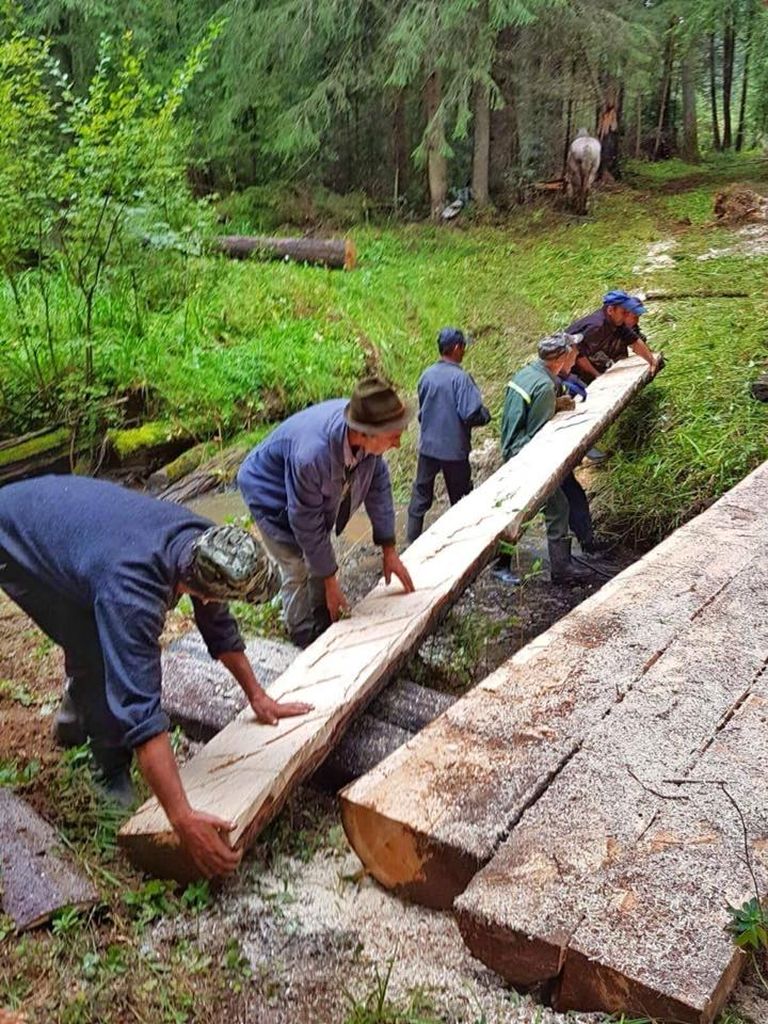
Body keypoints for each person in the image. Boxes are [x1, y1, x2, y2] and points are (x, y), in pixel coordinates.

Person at [0, 475, 312, 877]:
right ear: (204, 590)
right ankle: (107, 768)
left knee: (92, 634)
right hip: (16, 541)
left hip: (68, 523)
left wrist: (258, 695)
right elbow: (141, 710)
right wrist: (182, 818)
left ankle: (75, 715)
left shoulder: (203, 544)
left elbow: (218, 627)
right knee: (97, 653)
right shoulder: (132, 592)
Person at [238, 376, 416, 649]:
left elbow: (378, 486)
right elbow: (306, 522)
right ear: (366, 433)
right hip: (267, 491)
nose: (398, 444)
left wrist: (389, 549)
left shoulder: (365, 428)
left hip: (302, 489)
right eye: (393, 437)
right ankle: (301, 635)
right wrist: (331, 582)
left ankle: (323, 616)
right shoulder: (311, 456)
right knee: (296, 565)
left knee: (318, 560)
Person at [497, 332, 600, 584]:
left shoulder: (529, 373)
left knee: (530, 508)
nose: (576, 357)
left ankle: (503, 564)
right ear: (560, 358)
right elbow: (538, 437)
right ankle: (561, 569)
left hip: (512, 446)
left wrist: (556, 404)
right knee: (556, 507)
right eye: (573, 353)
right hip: (524, 455)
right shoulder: (544, 386)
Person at [406, 327, 491, 543]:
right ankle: (463, 542)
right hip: (454, 450)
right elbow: (470, 413)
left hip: (428, 447)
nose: (464, 351)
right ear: (456, 348)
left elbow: (422, 412)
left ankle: (411, 542)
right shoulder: (461, 379)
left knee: (420, 495)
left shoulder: (426, 375)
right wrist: (485, 415)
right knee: (461, 499)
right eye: (463, 347)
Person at [568, 289, 662, 383]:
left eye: (627, 312)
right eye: (623, 312)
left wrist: (652, 361)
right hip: (566, 367)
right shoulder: (597, 326)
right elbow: (578, 354)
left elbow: (634, 341)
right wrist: (597, 375)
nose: (626, 316)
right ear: (610, 310)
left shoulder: (617, 322)